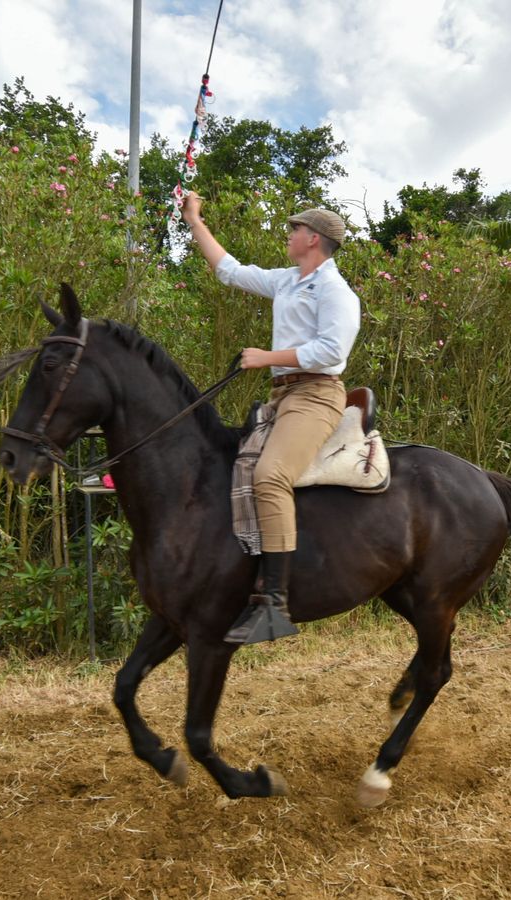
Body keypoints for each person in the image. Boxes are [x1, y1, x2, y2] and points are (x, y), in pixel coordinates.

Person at [181, 192, 362, 644]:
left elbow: (331, 351)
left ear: (313, 239)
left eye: (295, 229)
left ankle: (274, 604)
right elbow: (230, 271)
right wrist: (194, 220)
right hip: (282, 395)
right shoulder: (287, 280)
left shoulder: (336, 292)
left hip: (316, 395)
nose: (289, 234)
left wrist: (266, 358)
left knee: (270, 476)